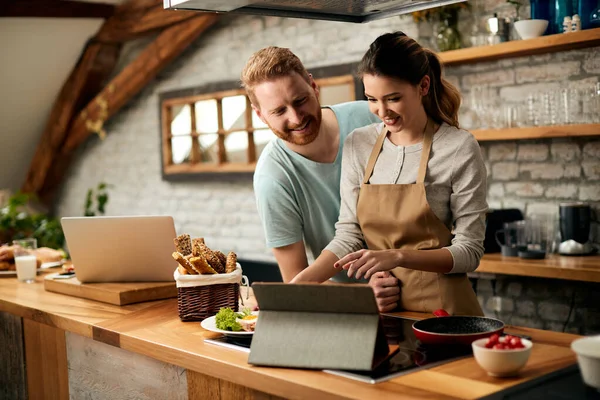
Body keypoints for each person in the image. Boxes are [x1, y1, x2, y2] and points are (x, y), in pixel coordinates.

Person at [291, 32, 488, 316]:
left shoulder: (458, 147)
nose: (382, 111)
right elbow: (349, 234)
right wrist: (299, 285)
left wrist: (397, 257)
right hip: (386, 310)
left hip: (446, 314)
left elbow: (469, 252)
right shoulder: (359, 144)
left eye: (393, 98)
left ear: (423, 85)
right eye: (371, 99)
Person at [241, 47, 381, 285]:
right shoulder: (273, 178)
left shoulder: (371, 119)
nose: (296, 118)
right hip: (348, 309)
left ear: (314, 87)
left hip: (421, 279)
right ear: (260, 115)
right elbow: (296, 280)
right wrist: (365, 297)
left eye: (300, 101)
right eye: (279, 111)